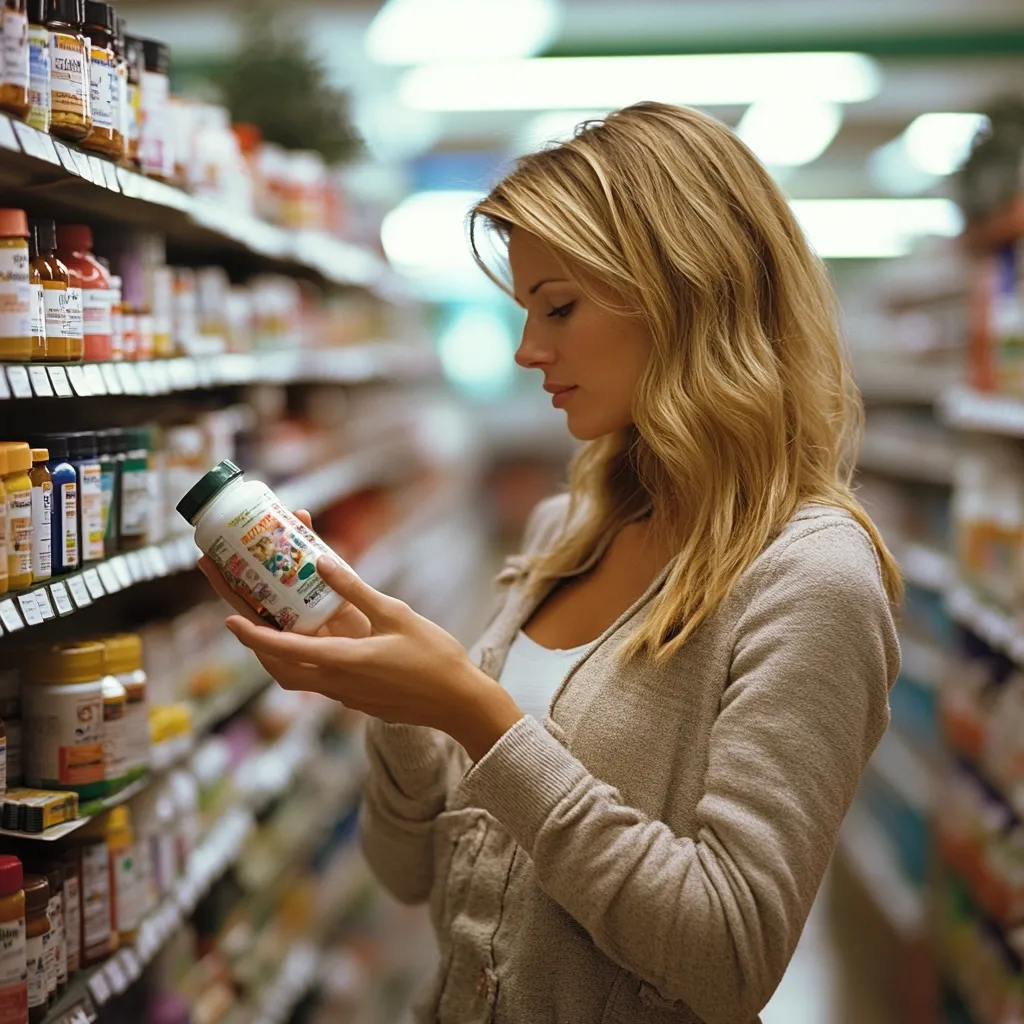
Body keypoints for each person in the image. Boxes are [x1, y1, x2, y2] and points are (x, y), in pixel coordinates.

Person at [203, 101, 901, 1024]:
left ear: (686, 291)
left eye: (559, 307)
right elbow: (409, 874)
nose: (531, 350)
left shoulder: (810, 579)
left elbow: (730, 955)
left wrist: (478, 713)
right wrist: (396, 703)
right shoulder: (563, 533)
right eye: (526, 312)